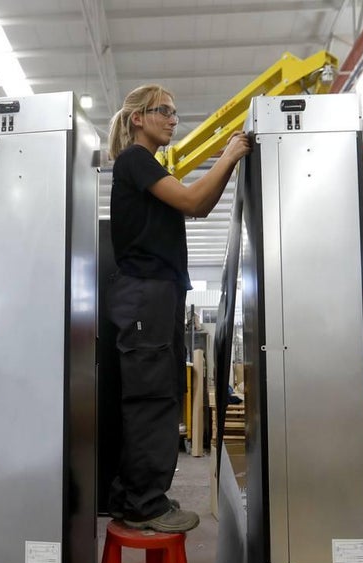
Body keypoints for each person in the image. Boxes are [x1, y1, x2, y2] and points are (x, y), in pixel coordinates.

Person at [106, 84, 250, 533]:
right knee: (150, 395)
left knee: (162, 391)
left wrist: (232, 158)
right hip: (145, 292)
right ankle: (144, 503)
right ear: (138, 118)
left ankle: (140, 495)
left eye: (174, 112)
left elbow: (200, 208)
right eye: (164, 111)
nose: (173, 119)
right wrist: (227, 155)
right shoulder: (135, 160)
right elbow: (191, 200)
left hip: (160, 292)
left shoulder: (151, 166)